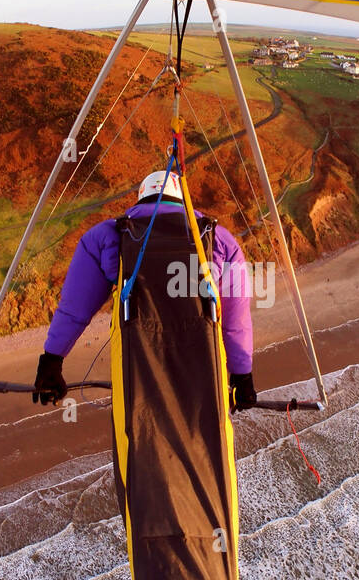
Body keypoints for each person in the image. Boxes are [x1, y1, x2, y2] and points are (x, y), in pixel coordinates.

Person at [33, 169, 258, 409]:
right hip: (201, 369)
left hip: (136, 372)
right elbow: (236, 320)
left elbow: (74, 308)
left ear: (141, 199)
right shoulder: (219, 240)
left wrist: (52, 360)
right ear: (181, 200)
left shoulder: (107, 236)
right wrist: (242, 376)